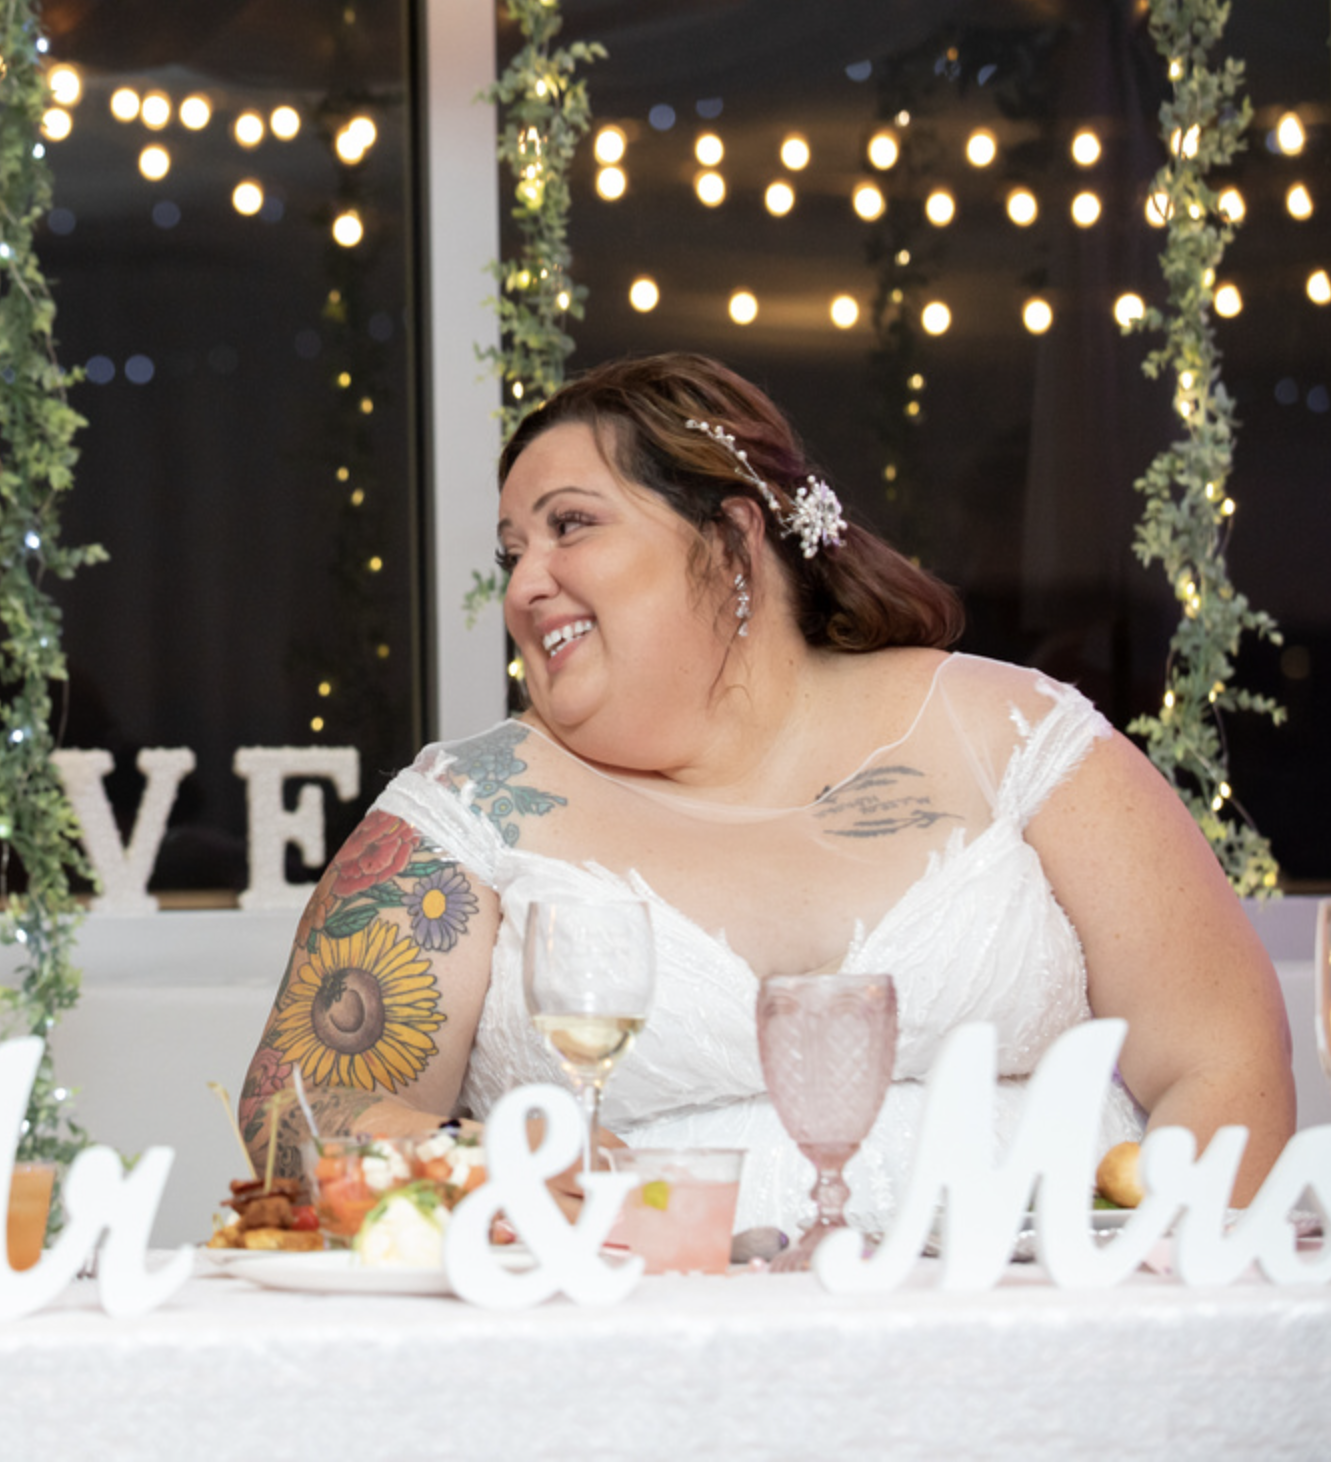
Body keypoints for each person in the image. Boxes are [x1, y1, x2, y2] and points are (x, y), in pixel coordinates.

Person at [240, 353, 1294, 1229]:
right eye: (513, 551)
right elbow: (299, 1109)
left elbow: (1223, 1058)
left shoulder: (1013, 737)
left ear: (733, 539)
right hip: (644, 1356)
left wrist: (1150, 1290)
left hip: (1057, 1339)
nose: (523, 584)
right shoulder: (471, 809)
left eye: (571, 526)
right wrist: (473, 1162)